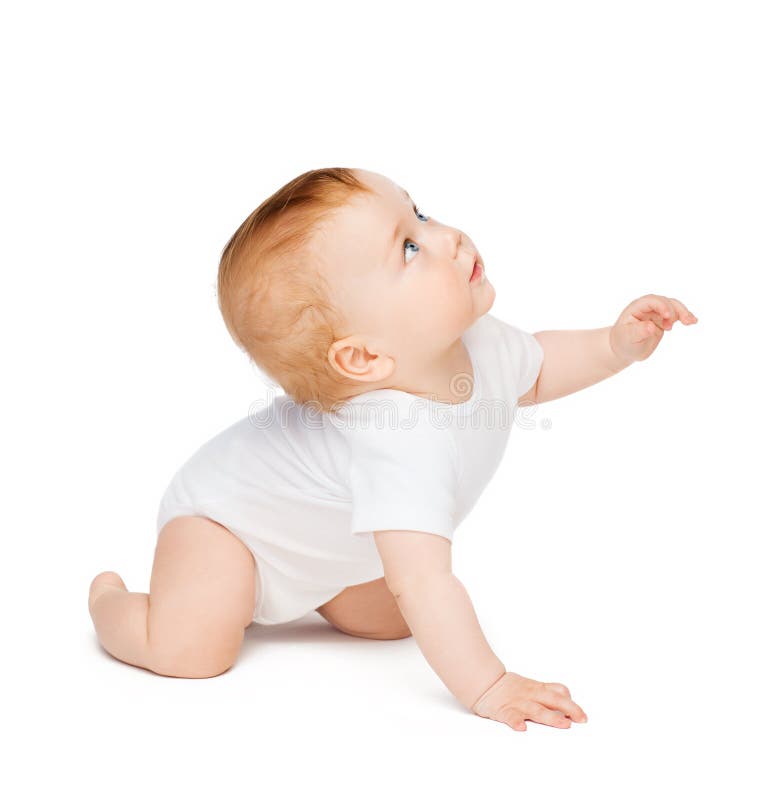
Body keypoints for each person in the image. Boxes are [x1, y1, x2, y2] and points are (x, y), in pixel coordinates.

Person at [87, 167, 697, 732]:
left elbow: (533, 373)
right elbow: (430, 582)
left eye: (421, 216)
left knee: (394, 621)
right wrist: (489, 686)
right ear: (364, 358)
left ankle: (320, 591)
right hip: (224, 530)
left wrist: (616, 347)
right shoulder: (396, 436)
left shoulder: (474, 343)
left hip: (327, 547)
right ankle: (116, 606)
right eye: (409, 248)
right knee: (193, 652)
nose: (447, 239)